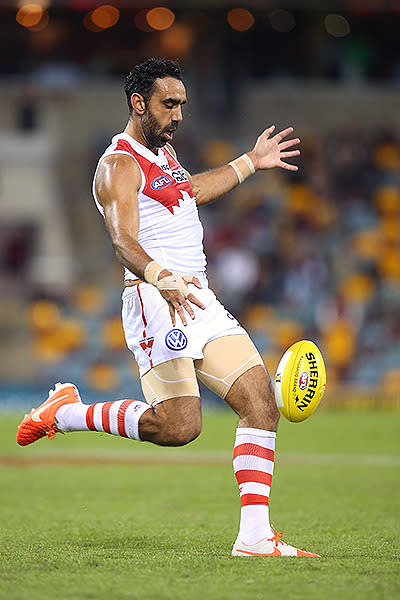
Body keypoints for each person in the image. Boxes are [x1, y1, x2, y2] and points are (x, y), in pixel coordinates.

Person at [17, 58, 319, 558]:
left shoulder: (166, 154)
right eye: (168, 104)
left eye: (182, 104)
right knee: (178, 428)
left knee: (261, 402)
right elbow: (123, 241)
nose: (178, 114)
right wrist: (161, 277)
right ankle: (67, 413)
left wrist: (249, 162)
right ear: (139, 104)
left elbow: (192, 191)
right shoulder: (118, 164)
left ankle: (255, 537)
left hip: (199, 296)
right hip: (155, 299)